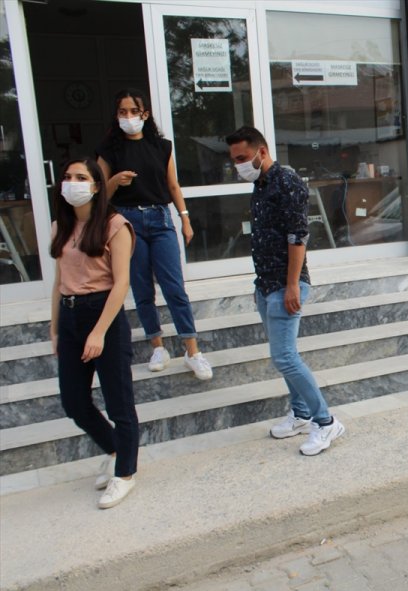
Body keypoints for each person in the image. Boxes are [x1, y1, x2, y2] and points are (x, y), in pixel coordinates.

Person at [225, 126, 345, 456]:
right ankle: (301, 413)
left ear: (262, 152)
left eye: (242, 158)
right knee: (283, 357)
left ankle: (326, 421)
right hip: (265, 285)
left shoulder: (286, 182)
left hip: (285, 285)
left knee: (285, 357)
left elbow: (298, 237)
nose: (238, 165)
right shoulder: (259, 185)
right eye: (234, 159)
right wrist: (262, 287)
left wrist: (292, 285)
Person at [96, 88, 212, 381]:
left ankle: (192, 350)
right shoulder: (110, 150)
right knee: (142, 288)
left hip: (160, 219)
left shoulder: (162, 147)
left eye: (134, 112)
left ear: (144, 114)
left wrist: (185, 219)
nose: (129, 118)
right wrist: (114, 181)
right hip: (127, 222)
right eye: (122, 112)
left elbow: (172, 186)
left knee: (174, 286)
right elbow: (98, 194)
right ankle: (157, 346)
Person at [49, 158, 140, 509]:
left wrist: (99, 332)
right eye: (68, 177)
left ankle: (126, 473)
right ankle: (116, 449)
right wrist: (55, 329)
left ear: (97, 186)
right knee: (74, 401)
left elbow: (122, 283)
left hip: (104, 315)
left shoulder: (115, 225)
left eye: (81, 177)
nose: (72, 182)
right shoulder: (61, 227)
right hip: (71, 317)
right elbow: (58, 283)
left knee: (119, 402)